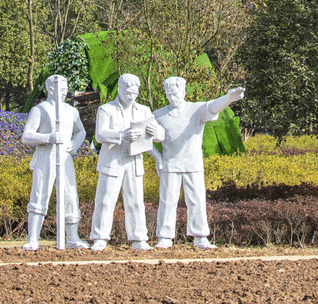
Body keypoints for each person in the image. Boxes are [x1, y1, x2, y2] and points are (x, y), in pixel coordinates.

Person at [149, 78, 244, 250]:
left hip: (193, 165)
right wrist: (157, 157)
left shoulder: (195, 110)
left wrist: (228, 98)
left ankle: (200, 236)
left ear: (184, 92)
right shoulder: (158, 115)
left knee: (196, 200)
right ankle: (164, 236)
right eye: (169, 93)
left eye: (175, 93)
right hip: (170, 166)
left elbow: (212, 107)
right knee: (167, 201)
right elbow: (144, 139)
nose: (172, 96)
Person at [89, 73, 162, 251]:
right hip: (112, 160)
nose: (131, 96)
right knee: (106, 200)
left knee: (136, 201)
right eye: (128, 93)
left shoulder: (144, 111)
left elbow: (160, 136)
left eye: (135, 93)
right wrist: (122, 135)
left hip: (134, 160)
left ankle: (139, 238)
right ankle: (99, 237)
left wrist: (155, 132)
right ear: (120, 90)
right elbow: (100, 134)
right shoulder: (106, 110)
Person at [21, 73, 88, 251]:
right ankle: (33, 239)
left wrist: (75, 143)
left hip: (65, 157)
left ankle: (73, 238)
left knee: (70, 195)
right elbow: (27, 136)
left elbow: (80, 131)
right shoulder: (40, 110)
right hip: (45, 156)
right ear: (50, 89)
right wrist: (48, 137)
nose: (64, 92)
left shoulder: (71, 111)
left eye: (66, 89)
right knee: (40, 193)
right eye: (61, 89)